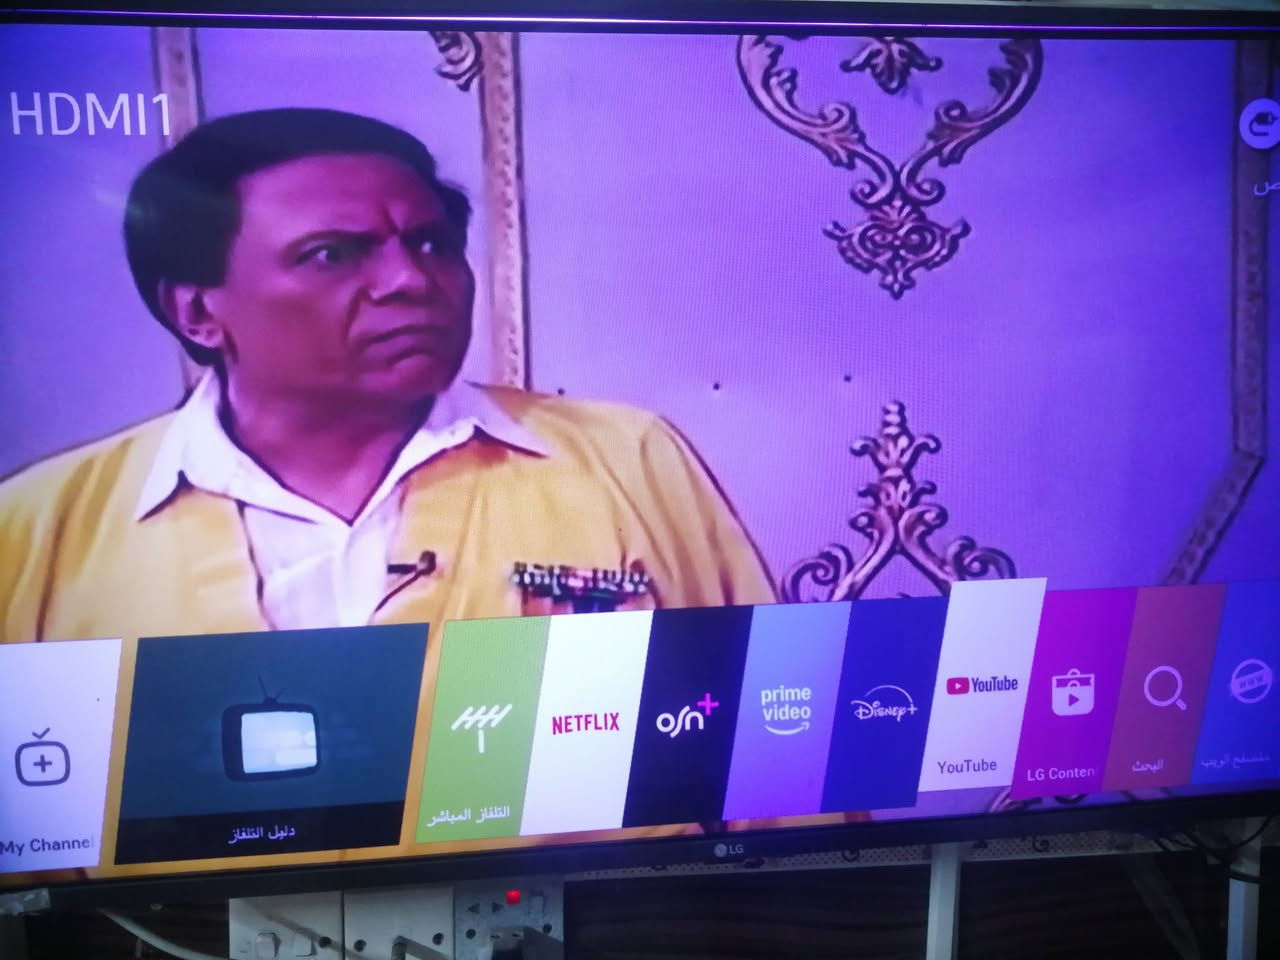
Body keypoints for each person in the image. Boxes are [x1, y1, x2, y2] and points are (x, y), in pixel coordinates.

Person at [0, 107, 775, 646]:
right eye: (332, 255)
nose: (410, 280)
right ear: (199, 312)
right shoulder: (38, 529)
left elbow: (766, 766)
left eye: (432, 244)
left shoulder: (626, 460)